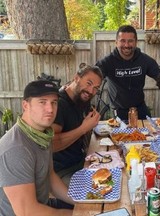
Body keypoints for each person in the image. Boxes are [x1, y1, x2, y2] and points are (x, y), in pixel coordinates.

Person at [0, 80, 74, 216]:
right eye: (42, 102)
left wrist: (80, 202)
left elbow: (50, 175)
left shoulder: (42, 135)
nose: (50, 109)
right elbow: (27, 212)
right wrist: (78, 214)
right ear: (25, 105)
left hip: (43, 204)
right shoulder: (16, 149)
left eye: (54, 102)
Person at [95, 25, 160, 120]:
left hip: (140, 109)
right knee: (121, 135)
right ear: (116, 42)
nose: (126, 45)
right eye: (122, 41)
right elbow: (92, 78)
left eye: (130, 41)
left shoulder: (144, 60)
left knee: (149, 134)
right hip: (118, 111)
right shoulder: (107, 62)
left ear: (136, 43)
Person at [52, 64, 103, 185]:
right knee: (97, 191)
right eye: (89, 83)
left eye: (96, 88)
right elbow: (51, 144)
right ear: (76, 78)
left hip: (82, 161)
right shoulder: (59, 104)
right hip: (62, 171)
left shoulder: (82, 98)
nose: (91, 91)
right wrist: (83, 128)